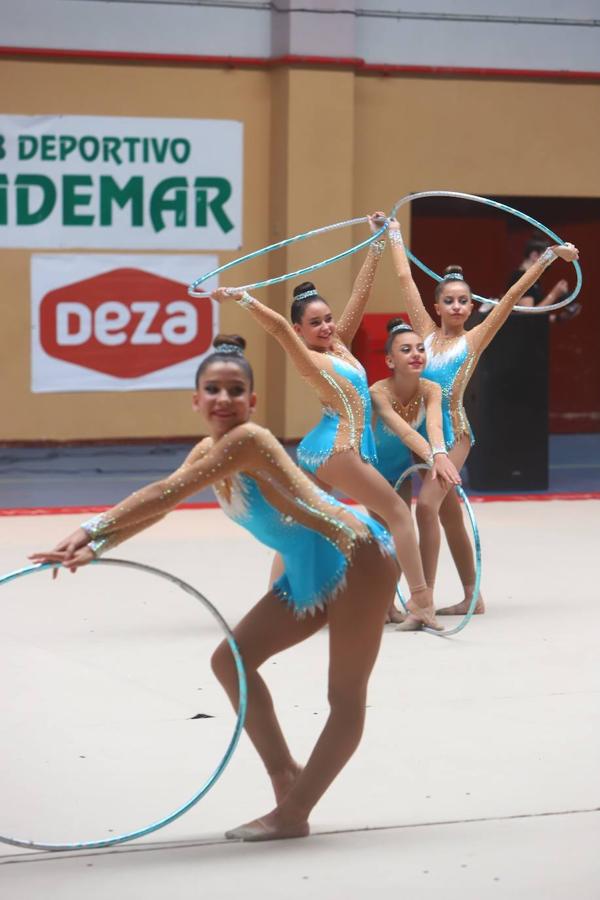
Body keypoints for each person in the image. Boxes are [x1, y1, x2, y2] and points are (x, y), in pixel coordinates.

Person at [29, 335, 400, 843]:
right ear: (196, 399)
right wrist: (97, 546)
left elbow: (164, 493)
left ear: (252, 401)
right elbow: (161, 505)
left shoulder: (250, 441)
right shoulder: (210, 450)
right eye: (213, 389)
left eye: (234, 390)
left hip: (359, 557)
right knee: (231, 660)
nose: (223, 399)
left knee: (344, 696)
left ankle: (292, 814)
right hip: (311, 567)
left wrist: (90, 529)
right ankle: (285, 776)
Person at [214, 214, 443, 631]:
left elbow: (360, 294)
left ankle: (278, 603)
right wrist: (244, 298)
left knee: (300, 522)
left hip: (324, 448)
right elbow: (280, 327)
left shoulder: (337, 345)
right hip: (338, 449)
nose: (325, 326)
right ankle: (422, 604)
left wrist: (376, 243)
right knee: (396, 514)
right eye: (314, 323)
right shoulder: (310, 358)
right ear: (302, 330)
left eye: (327, 319)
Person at [388, 218, 579, 617]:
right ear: (437, 305)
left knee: (426, 508)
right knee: (449, 512)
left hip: (454, 435)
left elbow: (510, 297)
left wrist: (548, 257)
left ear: (472, 307)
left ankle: (423, 599)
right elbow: (405, 278)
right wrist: (390, 231)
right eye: (450, 300)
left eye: (464, 301)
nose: (457, 307)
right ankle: (473, 596)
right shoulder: (422, 332)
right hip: (422, 433)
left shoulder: (472, 340)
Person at [369, 319, 462, 629]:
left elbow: (434, 425)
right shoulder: (378, 392)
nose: (416, 354)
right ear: (390, 360)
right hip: (371, 470)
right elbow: (405, 433)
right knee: (385, 536)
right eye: (406, 350)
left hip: (400, 470)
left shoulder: (430, 389)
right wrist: (433, 454)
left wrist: (439, 453)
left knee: (401, 535)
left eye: (420, 349)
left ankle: (403, 605)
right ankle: (382, 603)